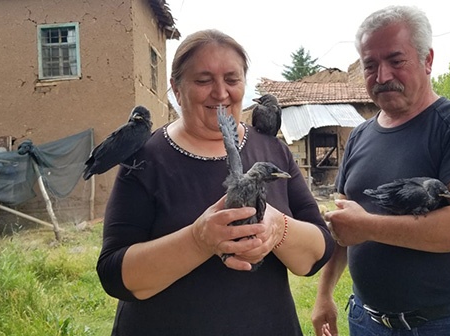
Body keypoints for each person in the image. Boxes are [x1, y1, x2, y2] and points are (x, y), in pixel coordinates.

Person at [96, 29, 335, 336]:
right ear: (177, 89)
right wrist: (198, 240)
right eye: (203, 80)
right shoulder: (146, 159)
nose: (221, 93)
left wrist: (279, 229)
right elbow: (114, 274)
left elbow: (318, 252)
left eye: (232, 80)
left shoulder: (271, 149)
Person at [311, 5, 450, 336]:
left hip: (446, 324)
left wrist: (369, 227)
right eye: (370, 65)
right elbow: (344, 226)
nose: (383, 76)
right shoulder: (360, 135)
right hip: (366, 319)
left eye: (396, 61)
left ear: (427, 60)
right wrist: (323, 295)